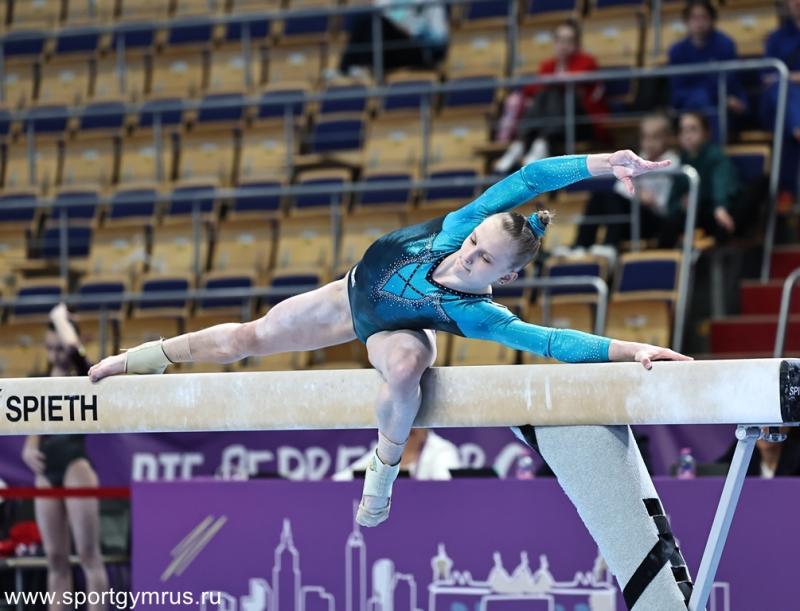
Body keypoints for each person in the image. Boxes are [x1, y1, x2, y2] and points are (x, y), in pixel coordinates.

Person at [89, 150, 689, 527]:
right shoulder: (458, 226)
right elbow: (531, 176)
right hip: (350, 297)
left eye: (483, 262)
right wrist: (604, 163)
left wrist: (632, 350)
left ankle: (383, 469)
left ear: (505, 278)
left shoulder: (479, 314)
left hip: (400, 330)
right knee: (246, 337)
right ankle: (147, 358)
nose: (466, 257)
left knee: (405, 370)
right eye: (472, 244)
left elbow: (554, 342)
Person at [21, 304, 108, 611]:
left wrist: (60, 318)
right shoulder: (39, 379)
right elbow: (34, 422)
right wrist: (29, 446)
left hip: (75, 466)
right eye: (49, 348)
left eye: (59, 348)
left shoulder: (84, 374)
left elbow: (73, 348)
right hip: (47, 471)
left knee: (88, 555)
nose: (55, 354)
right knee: (56, 560)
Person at [494, 20, 607, 173]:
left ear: (577, 43)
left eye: (569, 40)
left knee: (556, 92)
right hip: (555, 124)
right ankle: (526, 143)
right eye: (560, 40)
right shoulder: (548, 65)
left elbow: (570, 81)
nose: (564, 45)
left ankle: (536, 142)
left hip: (580, 122)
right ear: (555, 43)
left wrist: (554, 80)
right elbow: (531, 89)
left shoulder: (587, 61)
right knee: (544, 94)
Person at [574, 113, 680, 252]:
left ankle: (610, 246)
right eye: (645, 137)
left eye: (655, 137)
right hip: (633, 215)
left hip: (656, 222)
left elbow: (658, 203)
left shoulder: (671, 163)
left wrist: (640, 194)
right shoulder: (638, 158)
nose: (649, 143)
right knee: (599, 196)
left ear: (668, 139)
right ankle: (581, 246)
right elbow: (619, 187)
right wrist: (639, 193)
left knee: (614, 200)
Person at [658, 111, 741, 247]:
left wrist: (720, 206)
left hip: (715, 212)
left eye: (693, 129)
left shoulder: (715, 156)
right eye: (683, 131)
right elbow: (672, 203)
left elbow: (720, 183)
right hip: (694, 215)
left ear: (706, 133)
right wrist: (681, 204)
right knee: (668, 226)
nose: (687, 135)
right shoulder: (681, 161)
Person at [668, 0, 748, 137]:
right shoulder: (676, 51)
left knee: (710, 102)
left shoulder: (725, 44)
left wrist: (723, 97)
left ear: (712, 20)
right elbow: (677, 91)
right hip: (688, 105)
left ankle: (712, 145)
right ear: (686, 21)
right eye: (694, 18)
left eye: (704, 17)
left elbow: (731, 82)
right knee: (699, 99)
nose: (699, 23)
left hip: (721, 103)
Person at [329, 0, 448, 81]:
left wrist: (416, 32)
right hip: (388, 48)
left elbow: (439, 36)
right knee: (365, 19)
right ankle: (346, 69)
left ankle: (363, 67)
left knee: (379, 24)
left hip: (417, 49)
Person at [760, 0, 800, 195]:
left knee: (784, 125)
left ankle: (786, 193)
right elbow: (767, 76)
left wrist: (790, 76)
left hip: (785, 115)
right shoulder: (776, 38)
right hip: (777, 103)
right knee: (781, 89)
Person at [333, 428, 460, 480]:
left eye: (413, 430)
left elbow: (447, 486)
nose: (410, 427)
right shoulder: (386, 448)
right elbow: (341, 479)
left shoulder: (442, 450)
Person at [717, 427, 800, 477]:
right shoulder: (742, 448)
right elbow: (715, 473)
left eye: (771, 420)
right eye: (758, 420)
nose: (763, 428)